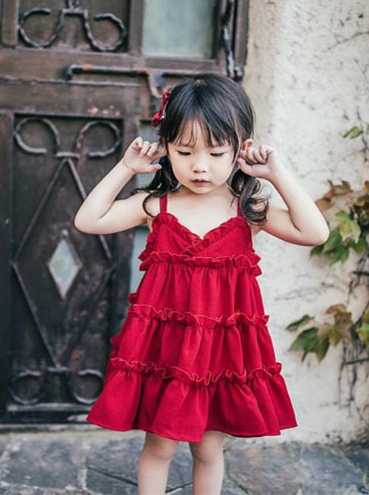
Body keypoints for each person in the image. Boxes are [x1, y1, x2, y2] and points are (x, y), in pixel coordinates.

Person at [74, 73, 329, 495]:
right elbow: (89, 220)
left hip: (220, 356)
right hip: (166, 354)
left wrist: (277, 173)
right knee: (159, 446)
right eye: (185, 151)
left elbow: (315, 232)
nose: (199, 166)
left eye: (215, 152)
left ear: (240, 148)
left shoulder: (248, 209)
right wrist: (126, 168)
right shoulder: (156, 206)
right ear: (166, 147)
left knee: (208, 450)